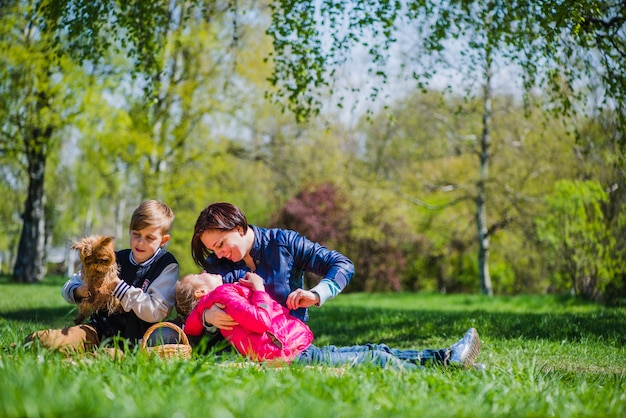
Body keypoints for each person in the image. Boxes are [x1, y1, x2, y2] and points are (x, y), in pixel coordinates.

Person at [176, 272, 481, 370]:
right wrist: (257, 289)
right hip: (287, 352)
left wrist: (202, 316)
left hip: (288, 349)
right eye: (199, 273)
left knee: (374, 348)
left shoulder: (214, 303)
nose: (207, 268)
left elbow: (190, 327)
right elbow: (258, 321)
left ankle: (443, 358)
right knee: (373, 357)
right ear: (202, 289)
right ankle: (447, 366)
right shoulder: (223, 295)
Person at [25, 200, 180, 353]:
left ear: (163, 240)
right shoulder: (113, 258)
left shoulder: (166, 265)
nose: (140, 242)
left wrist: (118, 287)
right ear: (130, 231)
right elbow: (67, 288)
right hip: (97, 330)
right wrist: (81, 290)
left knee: (99, 358)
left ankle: (77, 361)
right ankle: (19, 348)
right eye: (136, 234)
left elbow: (157, 311)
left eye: (149, 238)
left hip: (135, 343)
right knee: (49, 341)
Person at [190, 202, 354, 345]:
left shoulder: (284, 244)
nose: (218, 254)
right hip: (236, 350)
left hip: (288, 344)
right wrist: (207, 317)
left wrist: (317, 294)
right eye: (213, 249)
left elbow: (342, 265)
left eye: (220, 244)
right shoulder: (215, 265)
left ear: (239, 229)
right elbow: (193, 310)